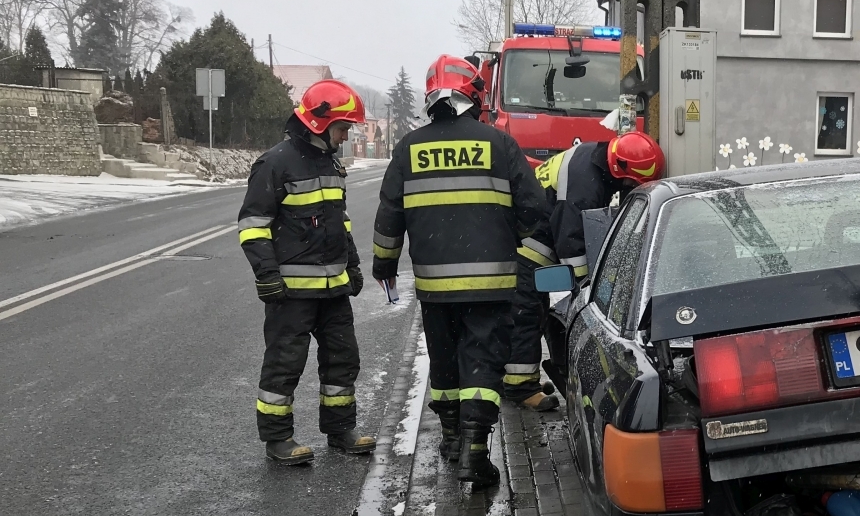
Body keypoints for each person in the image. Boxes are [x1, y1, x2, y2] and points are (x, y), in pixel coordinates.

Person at [371, 55, 547, 486]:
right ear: (474, 93)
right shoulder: (499, 145)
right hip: (492, 284)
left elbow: (389, 216)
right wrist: (526, 247)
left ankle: (450, 435)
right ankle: (473, 449)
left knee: (446, 362)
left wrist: (385, 264)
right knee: (483, 364)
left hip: (435, 287)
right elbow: (534, 210)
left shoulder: (408, 148)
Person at [237, 80, 374, 465]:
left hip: (333, 291)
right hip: (291, 294)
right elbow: (252, 226)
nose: (346, 136)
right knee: (284, 365)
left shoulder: (329, 163)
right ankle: (278, 439)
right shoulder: (275, 164)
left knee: (343, 361)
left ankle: (340, 430)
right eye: (343, 128)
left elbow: (339, 222)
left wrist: (353, 265)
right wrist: (266, 275)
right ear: (319, 123)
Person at [504, 131, 666, 405]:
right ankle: (520, 388)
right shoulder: (584, 184)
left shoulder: (592, 161)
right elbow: (571, 242)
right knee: (526, 313)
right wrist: (588, 291)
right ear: (619, 171)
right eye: (630, 183)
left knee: (530, 311)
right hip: (525, 247)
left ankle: (514, 378)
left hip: (528, 240)